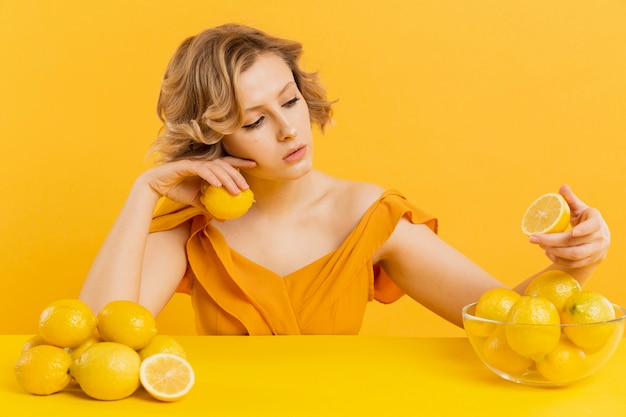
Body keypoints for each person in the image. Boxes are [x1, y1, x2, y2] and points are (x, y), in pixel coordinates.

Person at [79, 24, 610, 335]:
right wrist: (142, 194)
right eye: (254, 120)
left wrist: (578, 264)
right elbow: (103, 337)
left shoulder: (370, 216)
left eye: (289, 101)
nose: (290, 129)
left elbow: (508, 325)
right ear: (216, 139)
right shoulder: (193, 229)